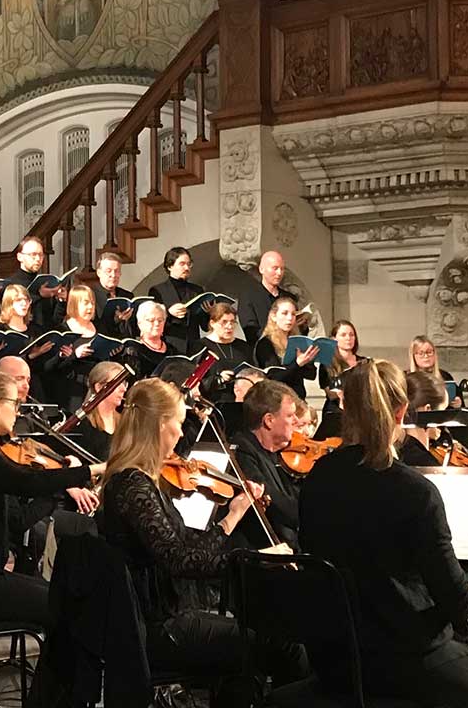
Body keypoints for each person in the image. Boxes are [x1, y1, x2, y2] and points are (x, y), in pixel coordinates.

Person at [302, 359, 468, 708]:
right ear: (403, 410)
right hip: (406, 655)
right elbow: (456, 601)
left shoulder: (318, 478)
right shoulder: (413, 490)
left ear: (344, 407)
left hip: (336, 653)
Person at [96, 377, 298, 706]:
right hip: (156, 629)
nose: (180, 432)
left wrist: (233, 522)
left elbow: (186, 543)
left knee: (259, 653)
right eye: (178, 423)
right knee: (283, 645)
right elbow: (181, 561)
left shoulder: (138, 480)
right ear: (160, 425)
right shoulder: (134, 485)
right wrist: (251, 555)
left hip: (165, 618)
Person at [0, 369, 101, 627]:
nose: (18, 410)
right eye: (15, 403)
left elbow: (17, 517)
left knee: (69, 597)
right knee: (67, 606)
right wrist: (91, 470)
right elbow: (28, 483)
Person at [229, 377, 304, 546]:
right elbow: (277, 505)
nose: (296, 422)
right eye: (290, 415)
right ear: (269, 420)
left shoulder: (280, 452)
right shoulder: (243, 451)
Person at [253, 294, 322, 394]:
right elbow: (273, 377)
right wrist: (298, 363)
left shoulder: (297, 341)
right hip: (276, 398)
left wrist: (309, 360)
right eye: (285, 313)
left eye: (293, 314)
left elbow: (311, 375)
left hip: (298, 397)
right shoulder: (265, 343)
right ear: (274, 316)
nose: (290, 318)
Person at [71, 360, 128, 460]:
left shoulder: (125, 423)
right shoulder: (84, 425)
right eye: (118, 383)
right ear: (99, 387)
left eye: (124, 383)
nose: (124, 389)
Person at [149, 244, 201, 352]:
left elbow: (204, 325)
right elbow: (151, 322)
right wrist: (168, 313)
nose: (186, 268)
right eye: (182, 264)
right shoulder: (158, 291)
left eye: (189, 264)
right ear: (170, 266)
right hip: (169, 346)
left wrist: (208, 311)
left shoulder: (197, 290)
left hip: (193, 347)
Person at [234, 249, 288, 343]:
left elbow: (299, 333)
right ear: (261, 269)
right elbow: (250, 330)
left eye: (282, 269)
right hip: (261, 352)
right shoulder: (248, 295)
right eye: (275, 268)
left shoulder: (288, 298)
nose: (279, 273)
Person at [318, 319, 363, 401]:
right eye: (343, 335)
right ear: (334, 338)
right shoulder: (326, 364)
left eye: (351, 335)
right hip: (336, 410)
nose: (348, 338)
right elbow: (331, 395)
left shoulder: (364, 363)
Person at [409, 335, 459, 402]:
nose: (426, 356)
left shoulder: (445, 376)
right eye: (421, 353)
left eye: (429, 352)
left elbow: (459, 403)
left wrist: (458, 404)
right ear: (413, 356)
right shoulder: (407, 379)